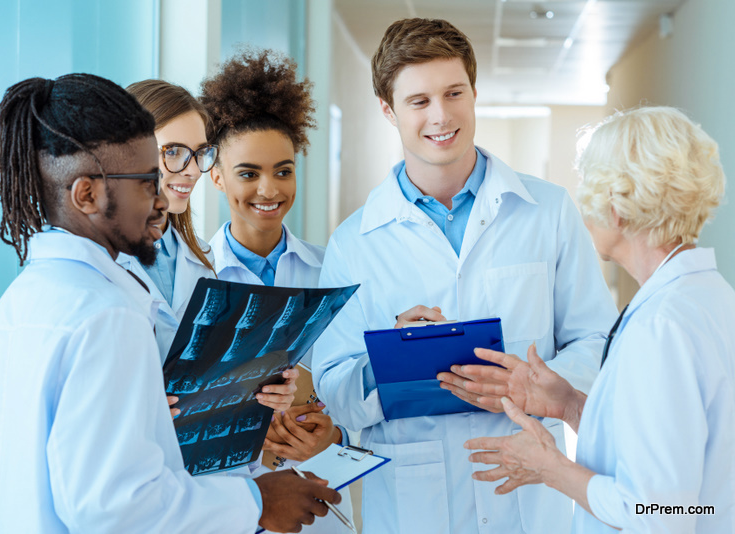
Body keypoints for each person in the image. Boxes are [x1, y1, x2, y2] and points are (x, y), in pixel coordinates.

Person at [0, 73, 340, 533]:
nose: (161, 196)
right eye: (148, 180)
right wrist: (255, 502)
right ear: (87, 193)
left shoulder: (10, 313)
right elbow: (117, 508)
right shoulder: (108, 313)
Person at [311, 18, 617, 534]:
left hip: (529, 497)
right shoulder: (353, 241)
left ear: (475, 92)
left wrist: (542, 385)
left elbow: (597, 338)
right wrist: (388, 356)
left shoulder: (546, 210)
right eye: (418, 101)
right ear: (388, 110)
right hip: (414, 507)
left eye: (454, 93)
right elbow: (334, 387)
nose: (441, 115)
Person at [456, 106, 735, 533]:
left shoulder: (660, 327)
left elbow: (661, 513)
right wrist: (570, 404)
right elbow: (671, 452)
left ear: (616, 206)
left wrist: (550, 468)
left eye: (588, 187)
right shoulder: (708, 298)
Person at [201, 49, 354, 534]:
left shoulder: (330, 270)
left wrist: (333, 430)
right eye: (248, 173)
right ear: (217, 176)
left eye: (283, 170)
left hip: (319, 501)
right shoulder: (193, 281)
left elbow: (351, 393)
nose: (269, 189)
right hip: (229, 507)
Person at [120, 79, 297, 416]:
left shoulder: (200, 258)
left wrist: (267, 390)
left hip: (189, 461)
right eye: (172, 152)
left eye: (200, 154)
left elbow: (205, 380)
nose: (191, 171)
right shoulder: (102, 260)